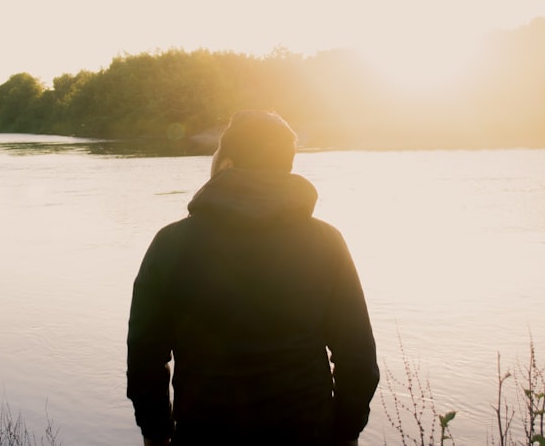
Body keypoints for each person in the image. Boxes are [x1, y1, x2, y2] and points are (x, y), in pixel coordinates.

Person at [126, 110, 379, 446]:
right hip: (306, 432)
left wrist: (156, 434)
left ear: (227, 164)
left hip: (204, 432)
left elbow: (145, 356)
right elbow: (358, 356)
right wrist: (346, 432)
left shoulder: (171, 243)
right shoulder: (325, 242)